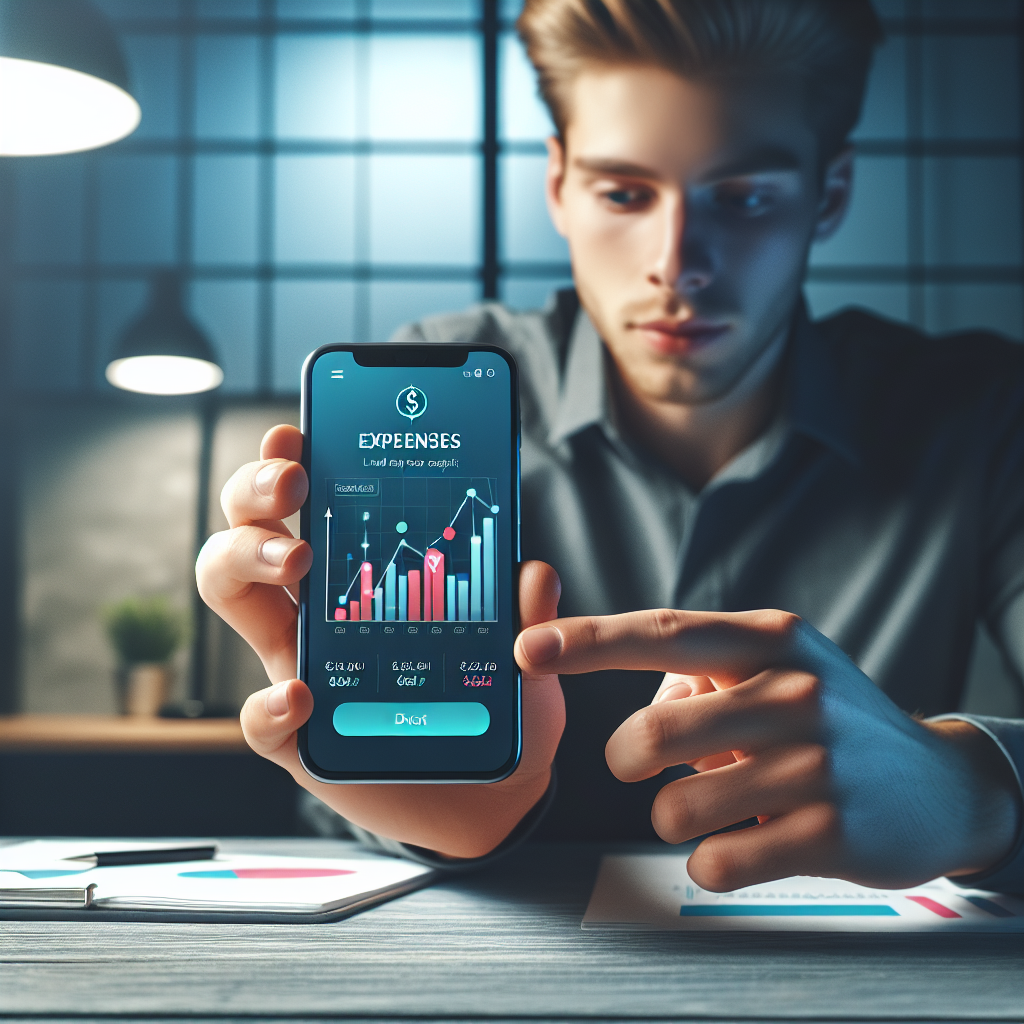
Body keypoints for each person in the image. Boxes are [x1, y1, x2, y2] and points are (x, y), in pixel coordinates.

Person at [196, 0, 1023, 893]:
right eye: (625, 193)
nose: (677, 261)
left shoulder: (982, 412)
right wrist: (432, 810)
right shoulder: (440, 395)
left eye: (744, 198)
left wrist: (982, 790)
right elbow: (342, 781)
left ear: (828, 196)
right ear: (559, 188)